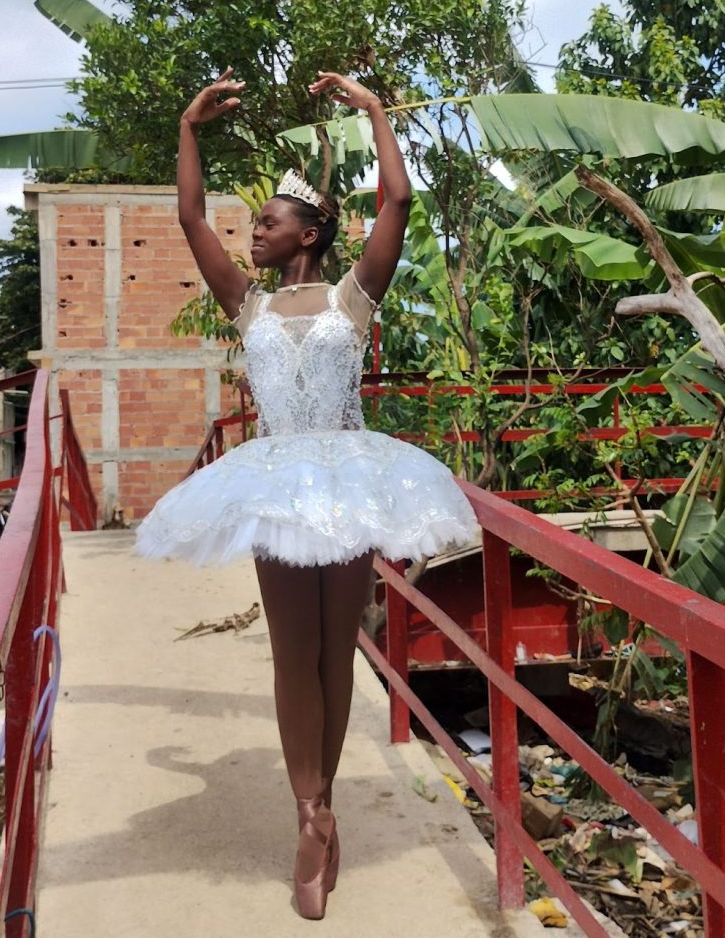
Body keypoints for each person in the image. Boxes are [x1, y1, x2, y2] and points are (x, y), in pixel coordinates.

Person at [136, 67, 478, 920]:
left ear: (309, 232)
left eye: (268, 221)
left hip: (352, 484)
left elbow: (397, 203)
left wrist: (373, 111)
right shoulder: (246, 305)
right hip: (278, 483)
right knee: (295, 656)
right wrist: (188, 126)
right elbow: (187, 217)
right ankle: (313, 818)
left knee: (336, 655)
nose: (252, 232)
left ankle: (321, 810)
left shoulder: (352, 297)